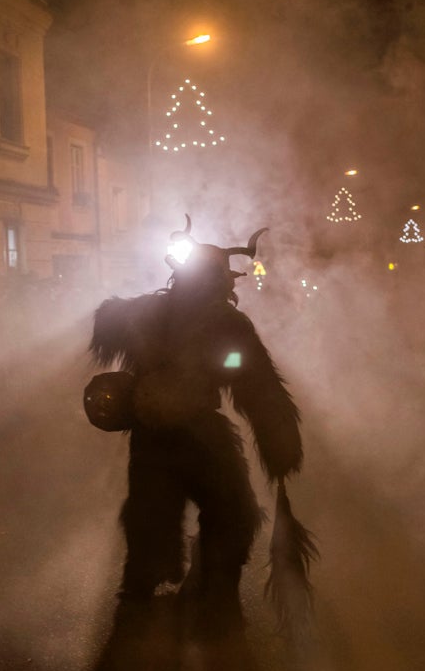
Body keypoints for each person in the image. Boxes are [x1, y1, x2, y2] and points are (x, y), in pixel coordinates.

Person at [86, 216, 313, 637]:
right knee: (234, 513)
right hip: (201, 437)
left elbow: (106, 323)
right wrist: (280, 443)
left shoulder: (151, 311)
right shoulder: (226, 324)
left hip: (153, 440)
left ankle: (140, 599)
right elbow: (259, 390)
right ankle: (212, 594)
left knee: (150, 515)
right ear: (221, 280)